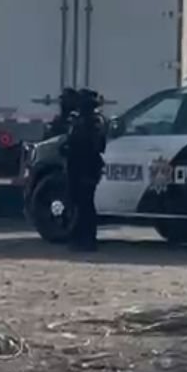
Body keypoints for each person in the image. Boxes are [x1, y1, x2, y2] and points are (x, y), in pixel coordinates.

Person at [62, 88, 107, 251]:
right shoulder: (81, 121)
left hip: (86, 167)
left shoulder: (93, 122)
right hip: (78, 167)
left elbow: (96, 146)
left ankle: (86, 239)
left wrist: (73, 147)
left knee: (85, 205)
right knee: (79, 203)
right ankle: (80, 238)